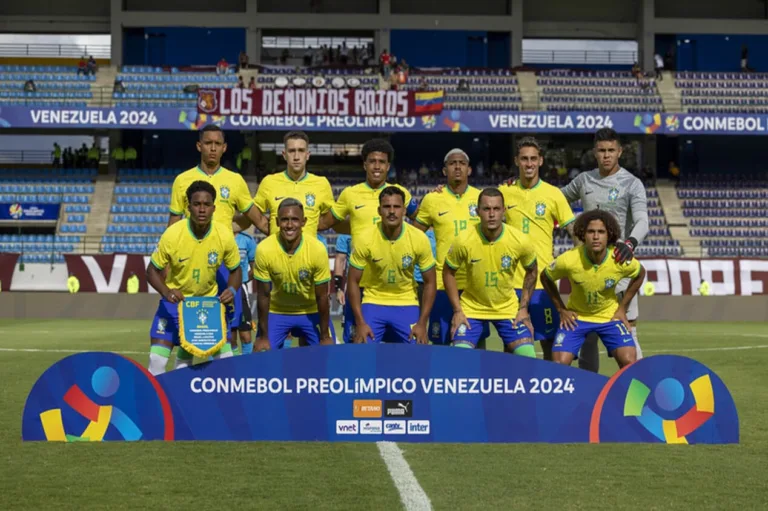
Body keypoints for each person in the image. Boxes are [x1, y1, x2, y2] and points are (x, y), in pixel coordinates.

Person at [559, 128, 649, 372]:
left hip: (618, 267)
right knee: (586, 337)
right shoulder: (584, 180)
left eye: (611, 150)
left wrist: (629, 243)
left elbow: (643, 220)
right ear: (594, 153)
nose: (606, 155)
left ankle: (636, 389)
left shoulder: (632, 183)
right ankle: (590, 396)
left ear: (620, 152)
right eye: (602, 151)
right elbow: (554, 199)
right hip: (586, 268)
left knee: (629, 331)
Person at [167, 125, 268, 338]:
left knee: (229, 328)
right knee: (192, 327)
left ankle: (223, 370)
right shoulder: (182, 180)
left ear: (224, 148)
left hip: (225, 263)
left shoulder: (235, 181)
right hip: (192, 262)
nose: (212, 148)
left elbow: (256, 218)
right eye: (208, 143)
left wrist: (280, 233)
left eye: (217, 144)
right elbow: (173, 225)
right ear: (199, 146)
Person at [146, 181, 242, 376]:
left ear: (214, 208)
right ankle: (157, 404)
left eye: (206, 205)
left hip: (208, 306)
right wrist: (166, 291)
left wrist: (231, 290)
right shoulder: (172, 235)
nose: (201, 209)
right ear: (188, 207)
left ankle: (224, 403)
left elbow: (236, 270)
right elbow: (151, 271)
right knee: (156, 361)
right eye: (196, 204)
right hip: (175, 305)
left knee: (226, 361)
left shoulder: (223, 235)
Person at [499, 137, 577, 360]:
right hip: (511, 283)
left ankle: (548, 392)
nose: (529, 163)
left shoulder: (554, 194)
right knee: (512, 346)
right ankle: (512, 394)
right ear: (516, 161)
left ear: (541, 161)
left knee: (549, 344)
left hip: (544, 281)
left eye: (533, 158)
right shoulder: (504, 192)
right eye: (524, 159)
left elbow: (574, 233)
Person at [540, 210, 646, 369]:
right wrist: (561, 309)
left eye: (601, 232)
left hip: (609, 317)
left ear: (608, 235)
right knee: (559, 364)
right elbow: (545, 277)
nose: (596, 237)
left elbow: (640, 273)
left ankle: (621, 394)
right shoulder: (569, 259)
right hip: (577, 318)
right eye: (591, 232)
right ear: (583, 234)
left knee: (629, 361)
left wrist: (622, 308)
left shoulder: (618, 258)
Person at [443, 188, 538, 355]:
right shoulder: (463, 239)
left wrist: (523, 307)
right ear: (477, 211)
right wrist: (457, 310)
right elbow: (448, 272)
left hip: (507, 308)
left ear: (504, 211)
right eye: (486, 209)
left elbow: (532, 270)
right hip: (471, 309)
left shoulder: (520, 240)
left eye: (496, 209)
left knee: (528, 355)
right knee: (460, 357)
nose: (492, 214)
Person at [347, 187, 436, 344]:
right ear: (379, 210)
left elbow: (430, 282)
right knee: (361, 346)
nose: (392, 211)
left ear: (403, 211)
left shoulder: (419, 239)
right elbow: (352, 281)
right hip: (373, 300)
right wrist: (360, 322)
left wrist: (422, 323)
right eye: (387, 207)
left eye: (397, 207)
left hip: (406, 301)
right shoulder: (365, 238)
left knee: (418, 347)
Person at [413, 148, 482, 345]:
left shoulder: (482, 198)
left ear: (469, 170)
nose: (457, 167)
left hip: (474, 285)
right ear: (445, 171)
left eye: (462, 163)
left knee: (476, 343)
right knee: (440, 341)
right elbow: (413, 235)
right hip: (443, 284)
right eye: (452, 163)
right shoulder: (432, 199)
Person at [253, 199, 333, 350]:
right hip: (278, 310)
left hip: (311, 310)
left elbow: (322, 296)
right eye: (285, 220)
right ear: (276, 222)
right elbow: (263, 295)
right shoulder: (264, 249)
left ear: (304, 222)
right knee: (261, 352)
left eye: (295, 220)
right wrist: (263, 337)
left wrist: (325, 336)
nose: (289, 225)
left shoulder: (317, 249)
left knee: (328, 354)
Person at [245, 131, 333, 239]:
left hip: (308, 254)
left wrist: (311, 229)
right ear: (284, 155)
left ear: (307, 155)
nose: (296, 157)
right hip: (277, 253)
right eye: (291, 151)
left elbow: (328, 219)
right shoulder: (269, 182)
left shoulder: (321, 184)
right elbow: (256, 213)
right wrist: (269, 229)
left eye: (301, 151)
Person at [230, 226, 257, 355]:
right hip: (221, 290)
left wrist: (244, 280)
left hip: (241, 290)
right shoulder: (219, 237)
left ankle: (248, 366)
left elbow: (254, 267)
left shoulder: (247, 240)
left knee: (246, 335)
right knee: (229, 337)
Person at [333, 234, 355, 343]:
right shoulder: (345, 234)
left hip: (375, 287)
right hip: (353, 287)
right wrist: (339, 289)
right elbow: (340, 260)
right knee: (351, 332)